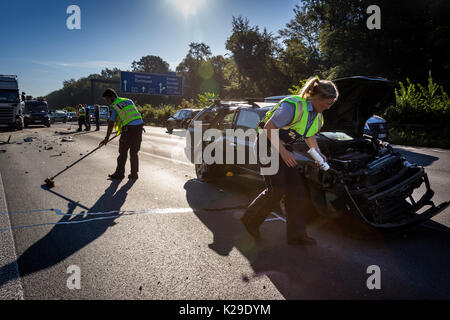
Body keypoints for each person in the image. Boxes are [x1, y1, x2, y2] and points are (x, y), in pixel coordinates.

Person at [240, 77, 339, 246]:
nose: (328, 107)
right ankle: (250, 220)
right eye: (327, 103)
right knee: (276, 189)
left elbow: (309, 135)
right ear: (317, 97)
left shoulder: (318, 116)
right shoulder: (293, 105)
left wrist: (318, 153)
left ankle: (296, 235)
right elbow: (269, 127)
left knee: (297, 192)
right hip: (266, 145)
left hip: (284, 148)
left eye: (331, 104)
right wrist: (284, 152)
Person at [99, 88, 143, 180]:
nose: (107, 102)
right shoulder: (128, 100)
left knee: (123, 153)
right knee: (134, 153)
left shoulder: (114, 106)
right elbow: (133, 115)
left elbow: (111, 123)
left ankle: (119, 174)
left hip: (128, 130)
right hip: (139, 128)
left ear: (112, 97)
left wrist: (107, 138)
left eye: (107, 99)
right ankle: (134, 174)